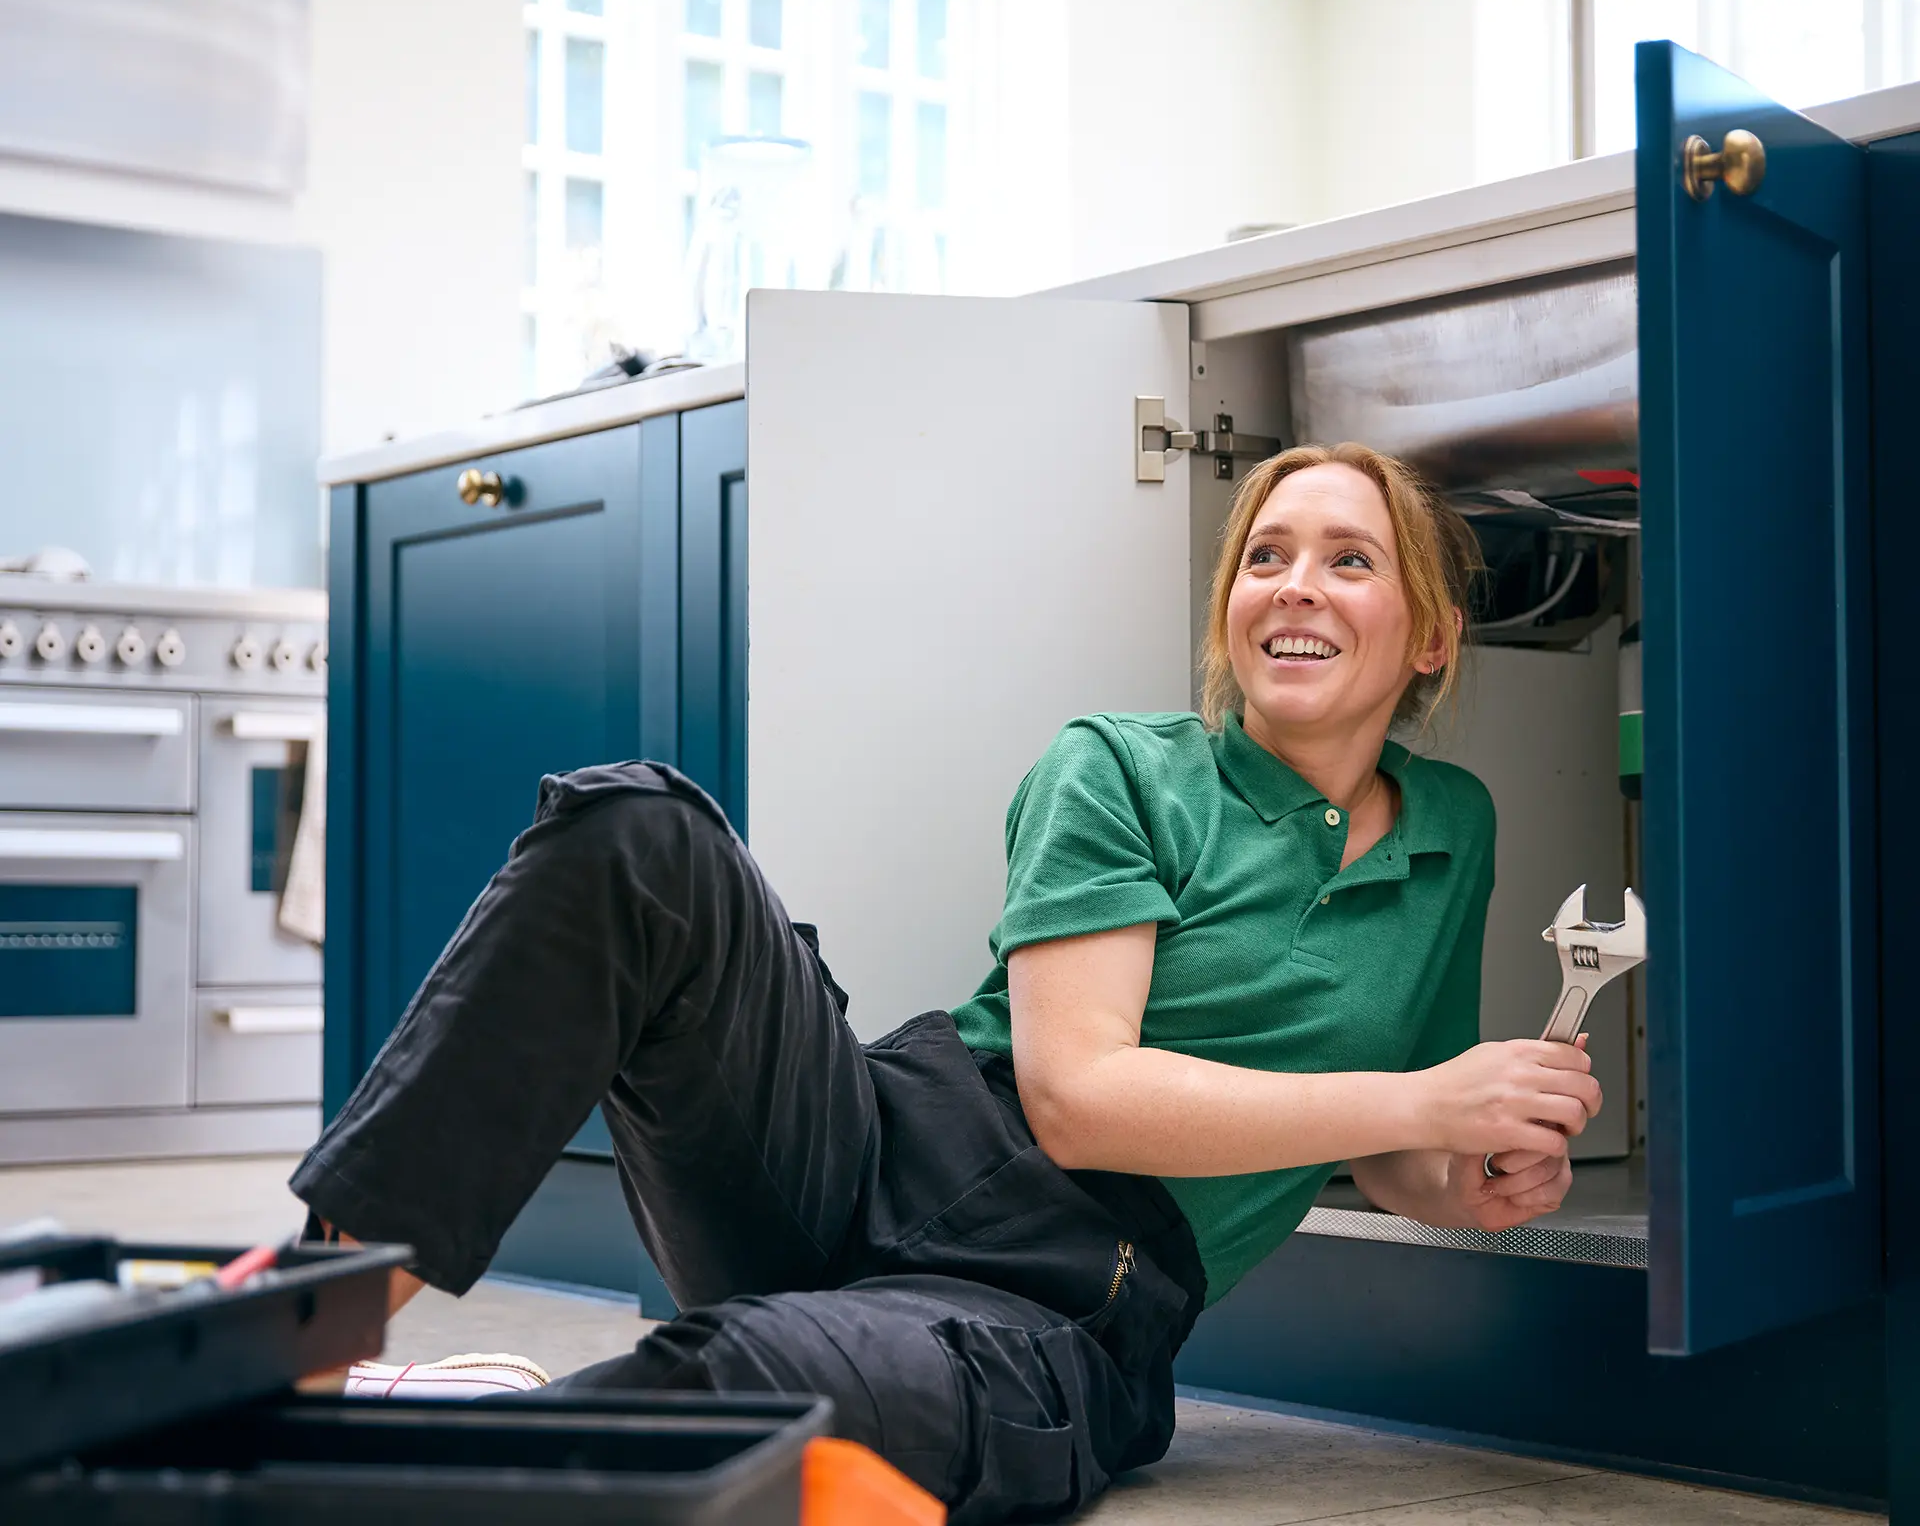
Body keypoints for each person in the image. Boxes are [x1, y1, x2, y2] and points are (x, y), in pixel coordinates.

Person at [292, 442, 1603, 1525]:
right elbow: (1083, 1096)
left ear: (1430, 639)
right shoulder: (1120, 768)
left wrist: (1472, 1174)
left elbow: (1391, 1141)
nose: (1292, 586)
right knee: (642, 836)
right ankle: (306, 1335)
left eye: (1347, 560)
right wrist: (1428, 1106)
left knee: (769, 1394)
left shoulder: (1454, 831)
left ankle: (426, 1477)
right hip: (878, 1148)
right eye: (1265, 557)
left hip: (1063, 1304)